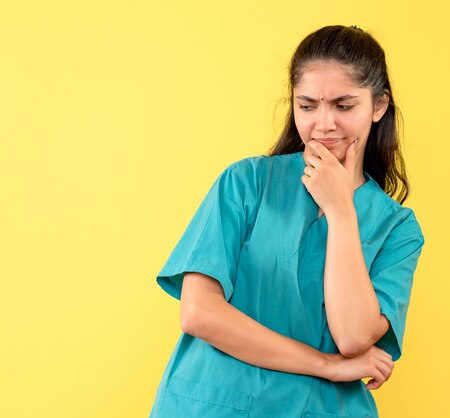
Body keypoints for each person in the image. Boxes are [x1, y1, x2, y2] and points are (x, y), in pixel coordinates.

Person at [149, 25, 425, 418]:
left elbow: (352, 336)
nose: (323, 124)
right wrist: (325, 365)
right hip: (212, 405)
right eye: (308, 106)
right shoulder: (247, 182)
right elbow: (199, 313)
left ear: (378, 106)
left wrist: (341, 211)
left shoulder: (397, 229)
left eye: (344, 106)